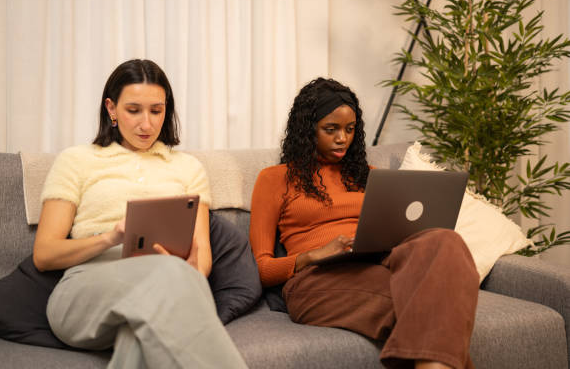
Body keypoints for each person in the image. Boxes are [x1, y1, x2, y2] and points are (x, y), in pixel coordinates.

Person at [249, 78, 480, 369]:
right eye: (330, 129)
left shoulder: (371, 176)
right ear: (306, 129)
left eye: (349, 129)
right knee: (437, 304)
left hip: (377, 264)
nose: (342, 139)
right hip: (317, 279)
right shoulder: (274, 178)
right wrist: (309, 257)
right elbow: (259, 268)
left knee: (446, 241)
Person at [33, 59, 247, 368]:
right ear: (111, 108)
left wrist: (189, 269)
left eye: (156, 111)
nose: (146, 124)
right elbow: (44, 254)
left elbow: (201, 257)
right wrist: (111, 237)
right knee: (171, 279)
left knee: (139, 335)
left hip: (168, 288)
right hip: (86, 292)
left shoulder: (188, 169)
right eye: (134, 110)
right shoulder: (76, 161)